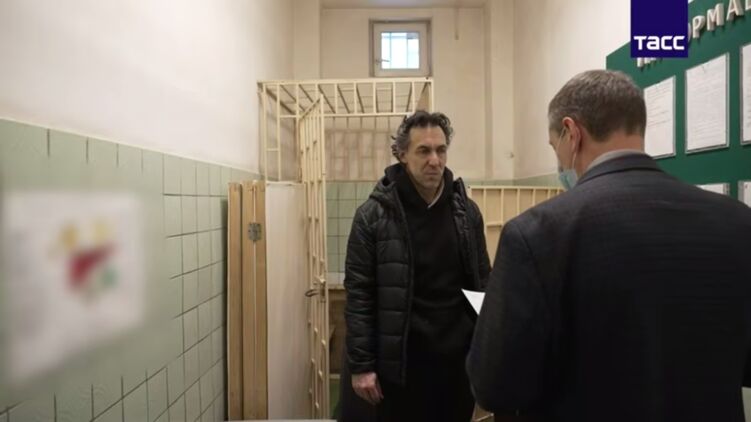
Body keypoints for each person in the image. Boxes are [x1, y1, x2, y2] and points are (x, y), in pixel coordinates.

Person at [467, 69, 751, 422]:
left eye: (554, 146)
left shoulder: (536, 234)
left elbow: (495, 386)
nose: (558, 160)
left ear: (572, 133)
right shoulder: (737, 222)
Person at [340, 111, 491, 422]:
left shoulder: (466, 213)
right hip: (400, 368)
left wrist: (489, 346)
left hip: (456, 365)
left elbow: (482, 283)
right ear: (402, 155)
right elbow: (359, 295)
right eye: (423, 151)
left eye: (441, 150)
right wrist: (362, 365)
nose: (434, 160)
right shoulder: (373, 216)